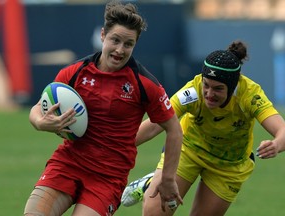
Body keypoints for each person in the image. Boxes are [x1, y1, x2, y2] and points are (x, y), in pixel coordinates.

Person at [23, 1, 183, 215]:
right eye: (115, 40)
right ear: (102, 36)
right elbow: (38, 108)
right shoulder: (75, 72)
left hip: (108, 178)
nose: (119, 50)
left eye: (128, 44)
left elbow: (174, 129)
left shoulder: (145, 84)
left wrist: (168, 178)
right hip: (67, 164)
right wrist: (41, 123)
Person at [121, 40, 285, 215]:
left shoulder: (250, 95)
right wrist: (119, 145)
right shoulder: (193, 91)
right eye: (206, 85)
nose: (209, 93)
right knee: (154, 213)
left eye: (218, 89)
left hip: (228, 166)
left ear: (232, 87)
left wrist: (276, 144)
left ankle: (153, 180)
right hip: (188, 150)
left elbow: (282, 130)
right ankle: (151, 182)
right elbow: (155, 124)